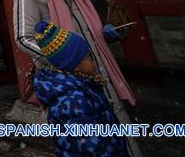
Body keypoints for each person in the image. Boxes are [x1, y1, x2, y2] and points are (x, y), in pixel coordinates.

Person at [9, 0, 139, 156]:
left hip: (97, 68)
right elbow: (22, 37)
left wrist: (102, 34)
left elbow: (85, 28)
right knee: (86, 138)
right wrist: (64, 55)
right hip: (68, 78)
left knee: (112, 124)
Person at [32, 21, 127, 157]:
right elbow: (92, 146)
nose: (93, 61)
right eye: (88, 57)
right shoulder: (74, 101)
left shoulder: (82, 84)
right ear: (74, 65)